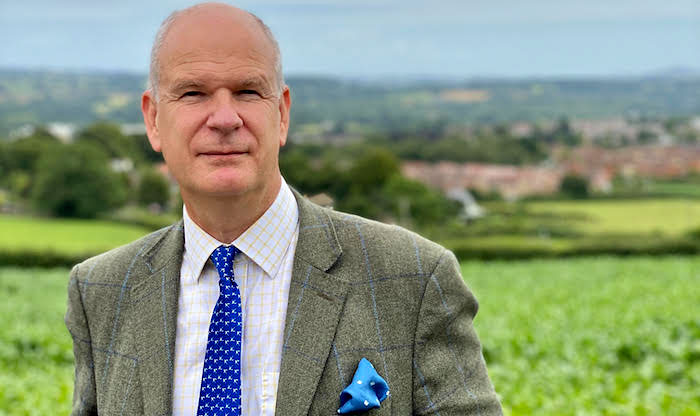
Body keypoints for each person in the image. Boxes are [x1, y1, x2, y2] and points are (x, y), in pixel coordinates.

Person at [65, 3, 502, 415]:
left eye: (248, 91)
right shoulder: (101, 292)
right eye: (194, 93)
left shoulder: (414, 278)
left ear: (283, 113)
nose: (224, 118)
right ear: (153, 120)